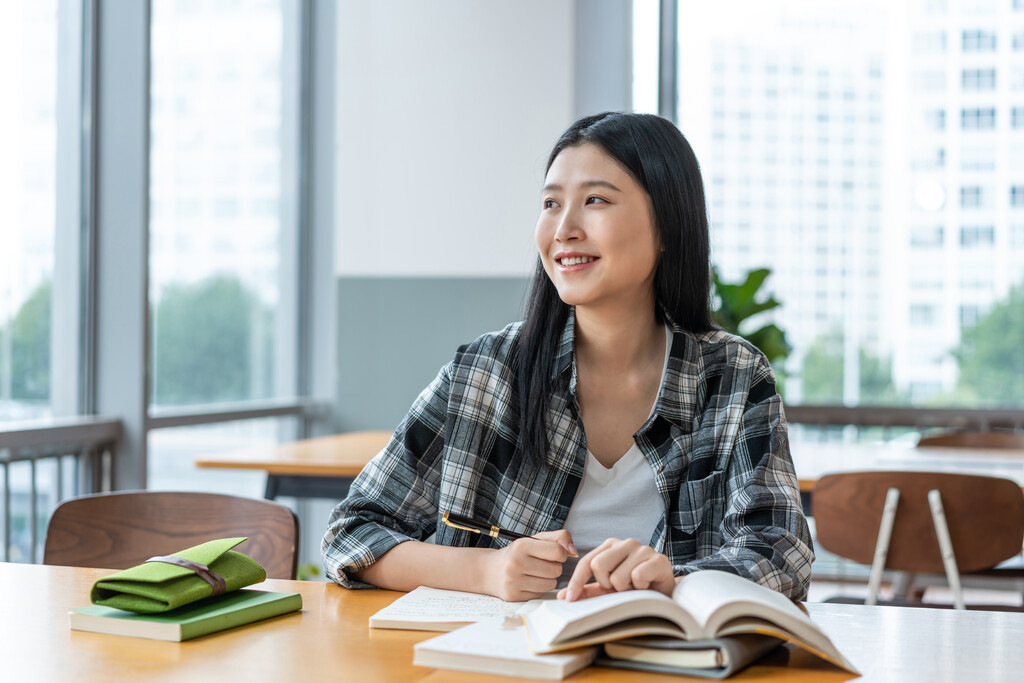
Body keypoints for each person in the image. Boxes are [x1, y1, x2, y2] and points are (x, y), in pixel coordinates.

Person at [322, 112, 813, 603]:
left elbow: (779, 552)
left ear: (668, 223)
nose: (564, 229)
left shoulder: (733, 376)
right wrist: (487, 571)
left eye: (595, 200)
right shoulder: (486, 372)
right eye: (551, 203)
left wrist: (674, 583)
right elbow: (352, 531)